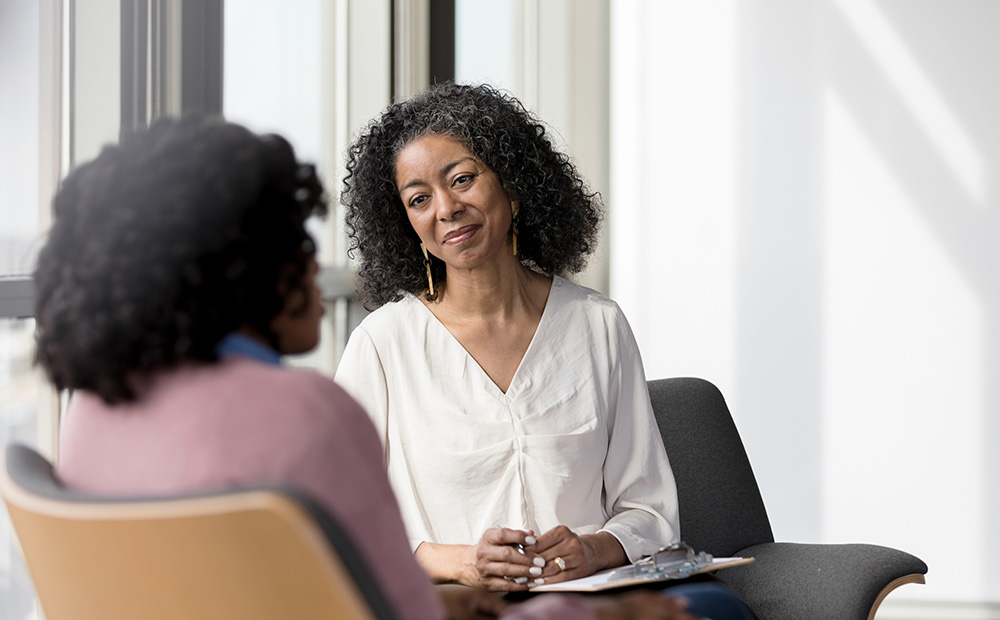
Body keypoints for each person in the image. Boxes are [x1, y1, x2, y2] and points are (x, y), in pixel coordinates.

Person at [32, 116, 715, 620]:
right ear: (234, 268)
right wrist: (613, 616)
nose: (314, 265)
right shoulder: (304, 412)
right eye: (295, 240)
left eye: (462, 180)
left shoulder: (94, 413)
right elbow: (388, 608)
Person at [335, 81, 749, 617]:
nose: (447, 208)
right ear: (406, 224)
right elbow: (342, 521)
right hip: (457, 603)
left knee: (713, 609)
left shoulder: (598, 324)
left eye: (462, 179)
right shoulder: (382, 345)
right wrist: (459, 562)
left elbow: (647, 507)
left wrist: (593, 548)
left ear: (513, 184)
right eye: (419, 199)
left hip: (594, 594)